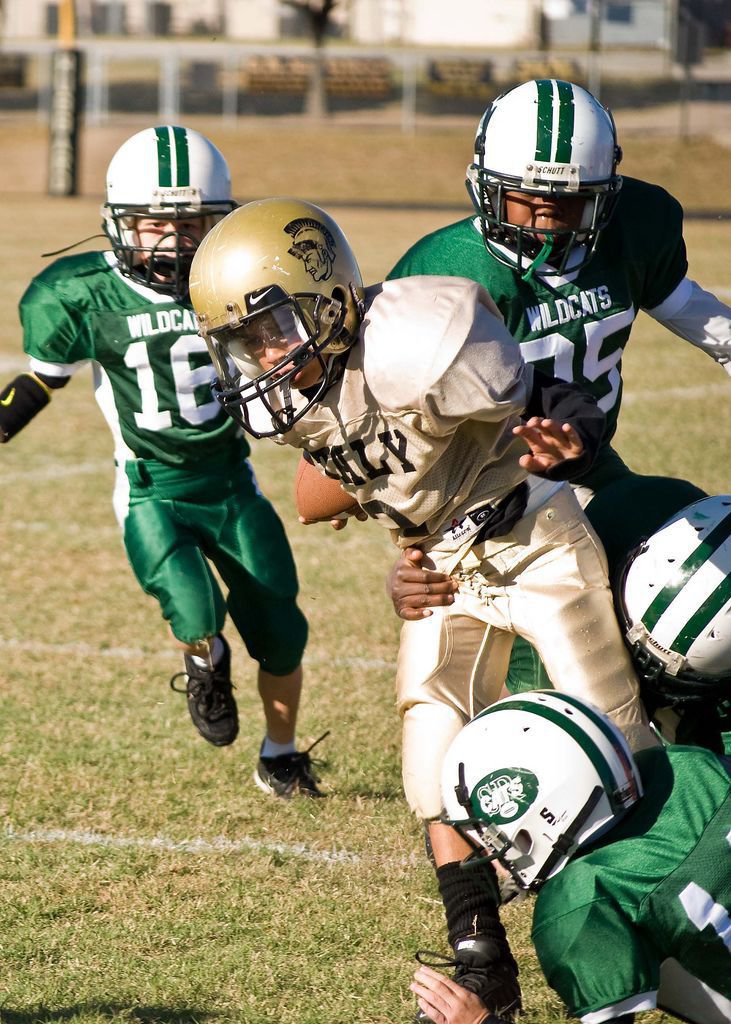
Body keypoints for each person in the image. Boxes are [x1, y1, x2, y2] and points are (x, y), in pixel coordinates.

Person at [187, 196, 658, 1021]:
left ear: (328, 299)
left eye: (270, 330)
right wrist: (401, 565)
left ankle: (669, 894)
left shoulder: (420, 339)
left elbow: (550, 394)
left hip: (532, 536)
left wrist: (564, 433)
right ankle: (482, 960)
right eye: (242, 343)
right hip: (443, 567)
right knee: (430, 757)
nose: (259, 357)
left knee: (615, 734)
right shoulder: (300, 393)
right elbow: (367, 494)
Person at [0, 125, 324, 799]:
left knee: (282, 627)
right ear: (119, 223)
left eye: (192, 224)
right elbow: (38, 383)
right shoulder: (82, 293)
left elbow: (297, 372)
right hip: (151, 488)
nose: (174, 241)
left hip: (231, 482)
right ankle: (207, 663)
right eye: (154, 223)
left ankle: (281, 755)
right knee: (194, 607)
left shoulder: (237, 279)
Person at [386, 77, 731, 698]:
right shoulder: (446, 273)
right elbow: (394, 433)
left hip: (593, 469)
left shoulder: (632, 230)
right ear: (487, 189)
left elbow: (696, 314)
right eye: (525, 200)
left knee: (704, 567)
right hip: (487, 502)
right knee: (536, 682)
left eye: (567, 204)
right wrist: (413, 548)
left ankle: (690, 723)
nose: (546, 223)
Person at [412, 690, 731, 1024]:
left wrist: (480, 1022)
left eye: (491, 835)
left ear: (536, 822)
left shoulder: (578, 902)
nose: (490, 852)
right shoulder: (690, 767)